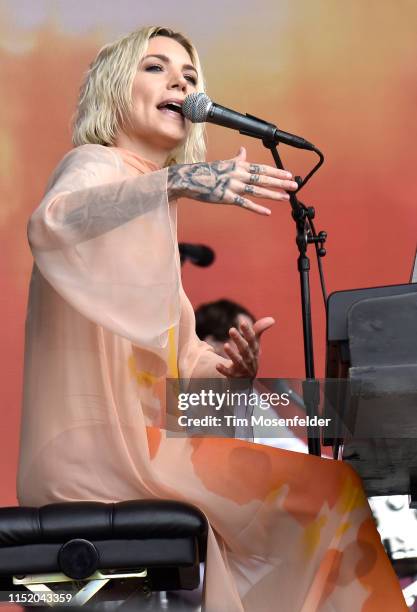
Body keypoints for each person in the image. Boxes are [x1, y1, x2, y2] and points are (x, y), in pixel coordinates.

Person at [17, 26, 406, 611]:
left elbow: (178, 378)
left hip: (149, 448)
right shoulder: (93, 163)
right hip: (93, 454)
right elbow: (53, 221)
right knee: (329, 492)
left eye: (191, 75)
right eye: (155, 67)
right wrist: (177, 178)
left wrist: (228, 373)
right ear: (113, 91)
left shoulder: (156, 211)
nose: (180, 80)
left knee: (328, 490)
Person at [195, 298, 308, 452]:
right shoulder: (182, 396)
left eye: (255, 342)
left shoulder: (249, 396)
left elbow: (291, 449)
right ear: (211, 344)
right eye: (244, 339)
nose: (256, 352)